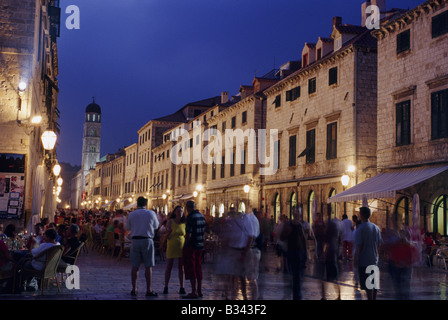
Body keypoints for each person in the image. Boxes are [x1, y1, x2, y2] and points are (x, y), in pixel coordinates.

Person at [126, 196, 159, 297]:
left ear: (137, 203)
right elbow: (156, 226)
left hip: (135, 241)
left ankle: (134, 289)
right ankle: (148, 290)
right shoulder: (151, 213)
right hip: (147, 240)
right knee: (148, 266)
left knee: (134, 266)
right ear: (146, 204)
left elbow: (128, 227)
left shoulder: (131, 214)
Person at [280, 207, 308, 300]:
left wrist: (305, 255)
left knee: (297, 277)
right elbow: (282, 237)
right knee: (293, 276)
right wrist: (287, 233)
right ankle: (294, 294)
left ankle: (297, 296)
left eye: (298, 213)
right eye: (295, 212)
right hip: (291, 252)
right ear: (293, 213)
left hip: (298, 253)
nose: (296, 214)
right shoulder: (288, 224)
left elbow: (304, 241)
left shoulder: (300, 225)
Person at [354, 207, 382, 300]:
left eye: (360, 213)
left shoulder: (361, 229)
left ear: (362, 215)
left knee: (368, 285)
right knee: (374, 283)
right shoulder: (376, 227)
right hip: (374, 259)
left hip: (364, 260)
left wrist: (355, 259)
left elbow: (359, 246)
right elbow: (379, 244)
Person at [182, 200, 206, 299]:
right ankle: (199, 290)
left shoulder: (190, 217)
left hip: (192, 245)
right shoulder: (201, 216)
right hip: (200, 245)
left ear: (187, 207)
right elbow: (204, 231)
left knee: (192, 268)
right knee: (198, 267)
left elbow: (188, 233)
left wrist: (185, 244)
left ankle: (193, 291)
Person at [387, 229, 419, 300]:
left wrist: (401, 263)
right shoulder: (400, 247)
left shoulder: (407, 247)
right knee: (402, 285)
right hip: (402, 267)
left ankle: (402, 296)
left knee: (401, 286)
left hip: (402, 267)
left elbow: (392, 256)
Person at [163, 205, 186, 295]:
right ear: (175, 212)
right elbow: (166, 236)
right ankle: (166, 286)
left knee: (181, 267)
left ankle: (182, 286)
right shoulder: (170, 222)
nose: (180, 212)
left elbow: (185, 235)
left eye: (181, 211)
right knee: (169, 266)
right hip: (172, 245)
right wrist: (169, 232)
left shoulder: (184, 223)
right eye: (178, 211)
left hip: (181, 246)